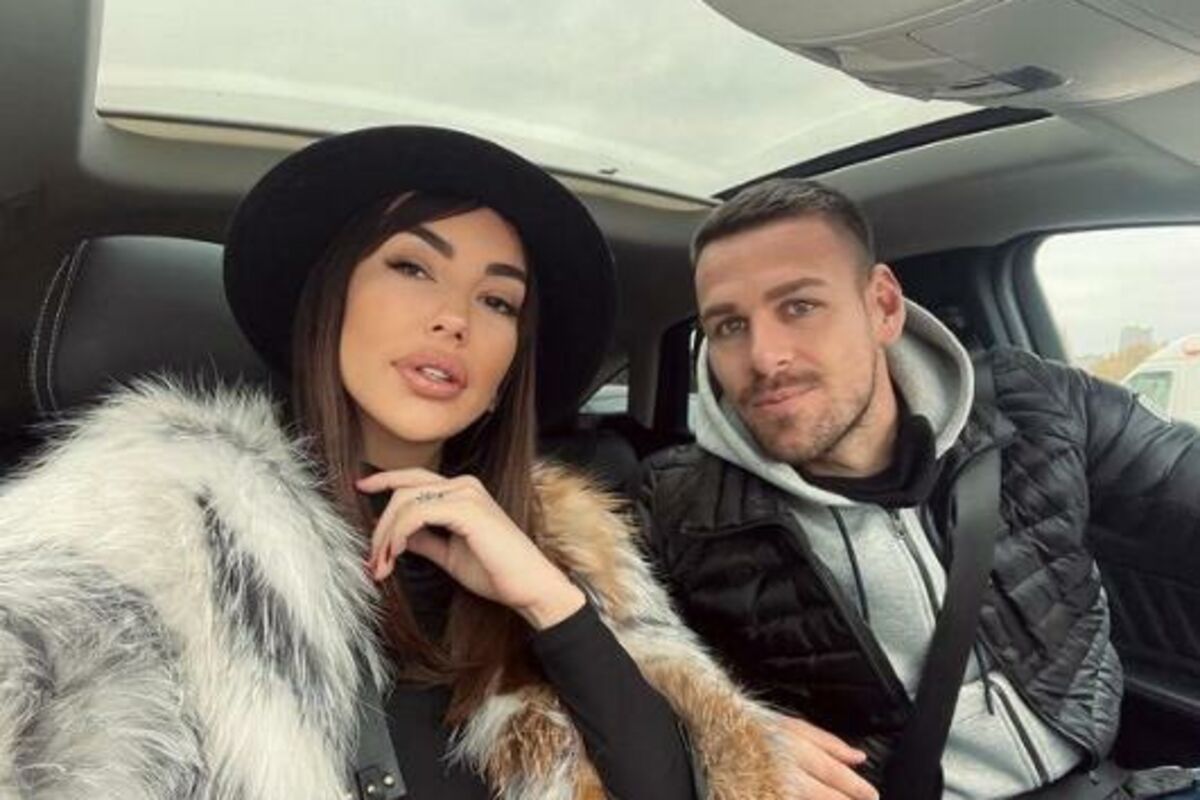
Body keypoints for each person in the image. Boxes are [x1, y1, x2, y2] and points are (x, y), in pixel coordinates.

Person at [0, 127, 797, 799]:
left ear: (507, 371)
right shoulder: (159, 522)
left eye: (498, 301)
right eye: (413, 268)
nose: (453, 319)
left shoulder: (568, 552)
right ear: (331, 301)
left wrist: (551, 599)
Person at [637, 178, 1200, 799]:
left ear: (882, 306)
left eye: (798, 306)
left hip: (1100, 783)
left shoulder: (1031, 402)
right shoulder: (676, 504)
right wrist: (721, 730)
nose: (765, 357)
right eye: (728, 326)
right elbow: (592, 671)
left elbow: (1179, 474)